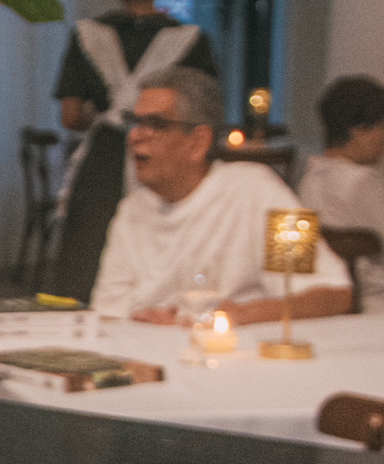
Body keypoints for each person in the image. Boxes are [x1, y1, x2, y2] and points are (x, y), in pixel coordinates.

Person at [91, 67, 350, 323]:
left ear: (198, 142)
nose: (135, 136)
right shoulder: (132, 208)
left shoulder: (255, 188)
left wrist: (239, 314)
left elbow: (333, 293)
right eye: (134, 122)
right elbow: (107, 310)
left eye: (155, 124)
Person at [50, 0, 216, 301]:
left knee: (87, 260)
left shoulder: (86, 36)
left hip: (104, 160)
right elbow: (206, 109)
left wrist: (106, 113)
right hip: (167, 157)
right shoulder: (191, 40)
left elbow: (71, 116)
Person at [298, 76, 384, 311]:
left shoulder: (309, 178)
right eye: (381, 127)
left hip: (325, 294)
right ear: (359, 131)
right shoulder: (362, 182)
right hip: (372, 301)